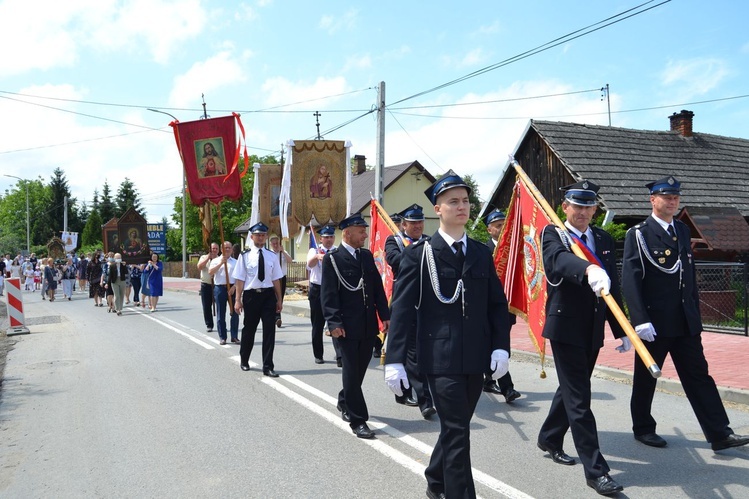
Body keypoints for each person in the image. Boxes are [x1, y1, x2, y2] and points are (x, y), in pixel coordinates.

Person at [386, 171, 511, 498]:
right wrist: (394, 359)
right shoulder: (419, 254)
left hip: (476, 356)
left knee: (456, 429)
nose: (462, 206)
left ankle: (435, 478)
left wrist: (501, 347)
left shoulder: (482, 253)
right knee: (458, 433)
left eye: (466, 201)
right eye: (453, 201)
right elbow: (401, 309)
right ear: (437, 209)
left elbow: (497, 306)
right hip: (439, 359)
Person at [622, 176, 749, 452]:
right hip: (654, 323)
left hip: (685, 322)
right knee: (646, 377)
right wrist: (639, 319)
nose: (672, 201)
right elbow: (631, 280)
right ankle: (643, 428)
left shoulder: (680, 229)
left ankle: (719, 433)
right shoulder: (639, 234)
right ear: (652, 200)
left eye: (676, 197)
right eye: (666, 197)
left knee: (699, 376)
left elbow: (688, 277)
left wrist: (695, 316)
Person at [536, 180, 628, 496]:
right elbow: (557, 261)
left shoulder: (601, 237)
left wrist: (622, 329)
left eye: (589, 206)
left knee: (571, 388)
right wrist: (588, 269)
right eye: (578, 205)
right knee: (579, 399)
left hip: (593, 329)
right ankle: (596, 471)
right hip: (564, 328)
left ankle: (549, 436)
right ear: (565, 207)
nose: (584, 212)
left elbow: (611, 284)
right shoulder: (554, 234)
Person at [321, 213, 390, 439]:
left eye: (365, 230)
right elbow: (328, 294)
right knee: (351, 372)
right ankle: (358, 420)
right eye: (361, 231)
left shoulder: (367, 256)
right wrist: (334, 322)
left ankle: (344, 400)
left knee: (359, 371)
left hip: (368, 325)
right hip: (346, 327)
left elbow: (377, 288)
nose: (365, 234)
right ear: (347, 233)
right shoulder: (333, 259)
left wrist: (385, 315)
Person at [384, 203, 435, 419]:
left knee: (417, 350)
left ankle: (412, 394)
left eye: (420, 222)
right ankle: (423, 399)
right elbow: (394, 260)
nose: (418, 226)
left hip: (426, 302)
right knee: (407, 349)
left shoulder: (430, 242)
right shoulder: (394, 241)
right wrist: (414, 252)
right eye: (413, 223)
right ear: (403, 224)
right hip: (404, 301)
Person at [232, 222, 284, 376]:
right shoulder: (244, 256)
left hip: (268, 296)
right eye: (258, 235)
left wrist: (279, 299)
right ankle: (244, 359)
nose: (261, 237)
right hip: (251, 296)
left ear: (266, 236)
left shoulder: (272, 256)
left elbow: (276, 279)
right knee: (249, 329)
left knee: (270, 331)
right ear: (252, 236)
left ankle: (268, 366)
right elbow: (240, 280)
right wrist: (237, 299)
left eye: (263, 235)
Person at [482, 208, 522, 403]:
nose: (503, 228)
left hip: (506, 309)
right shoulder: (483, 251)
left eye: (505, 224)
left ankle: (489, 379)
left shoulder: (514, 251)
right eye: (498, 225)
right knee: (497, 345)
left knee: (496, 344)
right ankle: (508, 389)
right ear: (490, 230)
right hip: (486, 308)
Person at [306, 225, 341, 365]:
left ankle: (340, 356)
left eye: (331, 237)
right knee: (317, 324)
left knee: (336, 322)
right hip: (317, 290)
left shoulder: (337, 250)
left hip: (333, 290)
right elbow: (309, 265)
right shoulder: (314, 250)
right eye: (326, 237)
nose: (329, 240)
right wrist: (317, 256)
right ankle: (318, 354)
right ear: (321, 239)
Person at [209, 241, 240, 345]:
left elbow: (240, 277)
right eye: (225, 248)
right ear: (221, 249)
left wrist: (234, 287)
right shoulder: (215, 260)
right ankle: (223, 337)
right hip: (220, 288)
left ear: (232, 249)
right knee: (221, 313)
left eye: (229, 248)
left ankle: (234, 336)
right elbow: (210, 272)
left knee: (235, 312)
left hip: (233, 287)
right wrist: (221, 263)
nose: (227, 249)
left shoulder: (236, 262)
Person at [269, 234, 292, 328]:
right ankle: (276, 317)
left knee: (280, 297)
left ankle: (277, 316)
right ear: (270, 244)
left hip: (282, 277)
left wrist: (283, 252)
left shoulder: (283, 252)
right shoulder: (269, 253)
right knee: (272, 297)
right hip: (272, 279)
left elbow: (290, 261)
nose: (275, 245)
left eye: (277, 243)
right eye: (273, 244)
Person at [197, 243, 218, 332]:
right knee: (206, 306)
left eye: (216, 249)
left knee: (220, 306)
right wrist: (208, 258)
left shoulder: (220, 259)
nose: (214, 250)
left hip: (217, 285)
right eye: (213, 248)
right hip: (206, 285)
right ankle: (209, 324)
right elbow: (200, 267)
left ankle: (221, 324)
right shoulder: (203, 257)